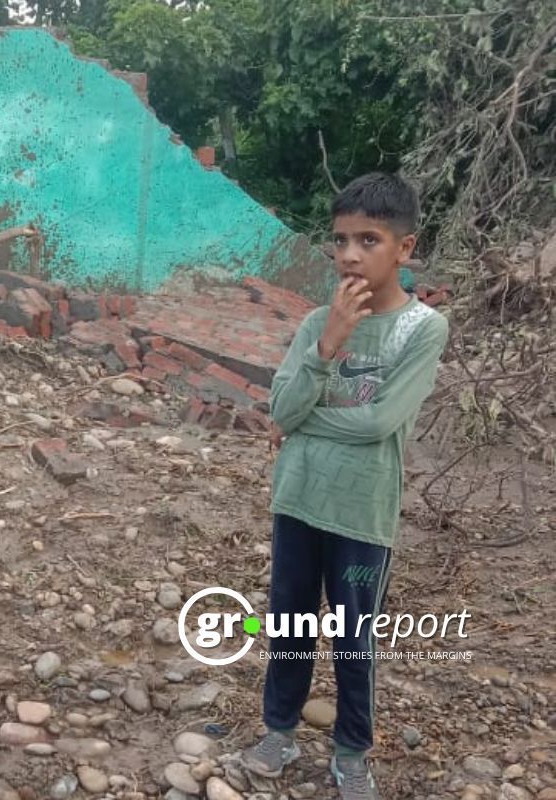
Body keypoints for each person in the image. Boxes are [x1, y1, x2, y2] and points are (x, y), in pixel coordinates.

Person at [241, 173, 449, 800]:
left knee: (354, 637)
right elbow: (281, 401)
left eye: (369, 239)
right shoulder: (315, 323)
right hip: (299, 503)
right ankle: (279, 729)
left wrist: (298, 424)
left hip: (362, 515)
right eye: (340, 240)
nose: (351, 255)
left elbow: (381, 422)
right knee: (291, 622)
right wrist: (328, 343)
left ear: (404, 249)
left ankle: (352, 750)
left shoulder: (422, 330)